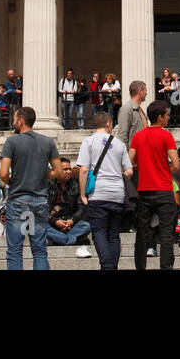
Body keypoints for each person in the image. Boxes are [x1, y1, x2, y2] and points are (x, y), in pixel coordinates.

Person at [0, 105, 61, 269]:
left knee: (15, 251)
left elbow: (3, 173)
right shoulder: (48, 142)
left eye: (14, 119)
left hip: (19, 200)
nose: (13, 122)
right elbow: (58, 170)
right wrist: (41, 174)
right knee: (40, 251)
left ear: (20, 121)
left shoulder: (12, 142)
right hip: (39, 201)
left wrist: (14, 181)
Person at [75, 111, 133, 269]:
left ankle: (108, 266)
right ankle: (111, 266)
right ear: (108, 124)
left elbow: (84, 170)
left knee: (99, 232)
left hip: (98, 193)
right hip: (117, 194)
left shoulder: (88, 142)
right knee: (114, 234)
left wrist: (82, 194)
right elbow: (129, 171)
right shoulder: (120, 144)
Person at [129, 99, 180, 269]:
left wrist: (142, 166)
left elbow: (130, 161)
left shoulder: (138, 136)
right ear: (160, 117)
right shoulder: (166, 135)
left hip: (144, 190)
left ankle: (140, 267)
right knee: (166, 234)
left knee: (142, 233)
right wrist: (164, 170)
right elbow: (176, 164)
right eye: (167, 115)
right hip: (164, 189)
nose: (168, 118)